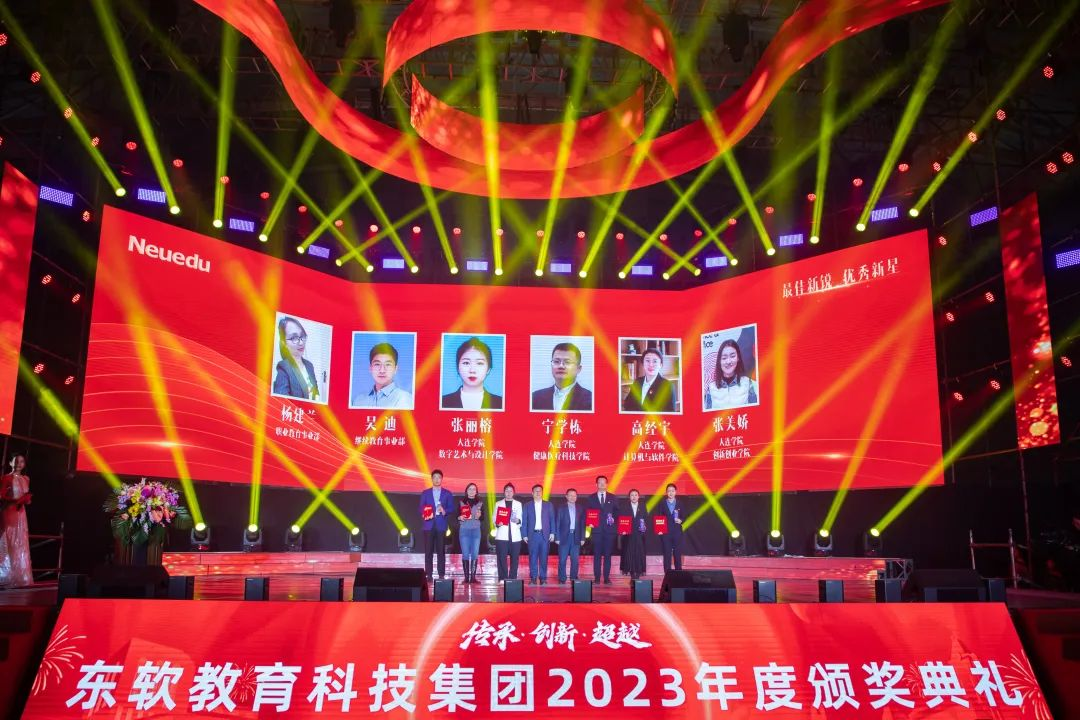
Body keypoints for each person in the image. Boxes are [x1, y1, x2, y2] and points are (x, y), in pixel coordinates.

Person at [272, 316, 326, 401]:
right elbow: (281, 401)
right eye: (294, 338)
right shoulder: (284, 367)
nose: (301, 342)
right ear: (284, 343)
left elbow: (316, 392)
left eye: (302, 336)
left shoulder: (309, 365)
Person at [441, 337, 503, 410]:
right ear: (458, 368)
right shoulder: (443, 402)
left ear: (488, 369)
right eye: (466, 363)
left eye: (479, 363)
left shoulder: (500, 403)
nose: (472, 370)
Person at [0, 454, 32, 588]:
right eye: (16, 461)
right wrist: (15, 500)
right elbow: (1, 496)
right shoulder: (6, 477)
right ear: (10, 462)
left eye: (22, 461)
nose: (19, 463)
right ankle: (6, 576)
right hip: (10, 511)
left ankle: (20, 577)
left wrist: (26, 500)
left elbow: (27, 498)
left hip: (21, 513)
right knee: (9, 540)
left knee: (20, 541)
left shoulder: (26, 478)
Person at [531, 342, 593, 412]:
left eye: (567, 362)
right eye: (556, 361)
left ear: (578, 369)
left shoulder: (591, 400)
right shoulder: (535, 397)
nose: (561, 366)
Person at [418, 469, 454, 580]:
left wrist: (444, 510)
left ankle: (441, 574)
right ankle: (428, 574)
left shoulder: (447, 493)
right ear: (432, 479)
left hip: (441, 525)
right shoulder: (425, 493)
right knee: (428, 551)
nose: (437, 479)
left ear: (442, 479)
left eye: (439, 477)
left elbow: (451, 508)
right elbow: (421, 508)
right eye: (435, 477)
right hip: (428, 525)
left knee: (441, 551)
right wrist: (425, 513)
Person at [353, 342, 413, 408]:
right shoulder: (358, 401)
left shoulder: (404, 399)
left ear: (395, 369)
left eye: (388, 364)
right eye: (377, 364)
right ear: (370, 368)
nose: (382, 370)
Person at [704, 338, 758, 410]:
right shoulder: (711, 388)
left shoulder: (749, 383)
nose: (728, 361)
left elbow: (755, 412)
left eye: (732, 356)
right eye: (724, 358)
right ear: (719, 361)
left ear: (738, 358)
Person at [622, 347, 675, 413]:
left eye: (655, 361)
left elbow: (670, 413)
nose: (651, 365)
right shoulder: (637, 381)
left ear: (660, 365)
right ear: (643, 363)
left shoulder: (668, 386)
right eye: (647, 361)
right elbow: (627, 404)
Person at [522, 484, 556, 585]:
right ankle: (533, 578)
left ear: (542, 493)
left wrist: (553, 532)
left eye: (540, 491)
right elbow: (524, 521)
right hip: (532, 535)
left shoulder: (548, 505)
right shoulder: (527, 505)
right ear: (532, 493)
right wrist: (524, 534)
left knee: (544, 557)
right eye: (536, 491)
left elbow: (552, 519)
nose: (538, 492)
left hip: (544, 535)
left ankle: (543, 578)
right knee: (532, 557)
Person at [587, 475, 617, 584]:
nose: (602, 484)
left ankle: (607, 578)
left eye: (604, 482)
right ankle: (597, 578)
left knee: (608, 555)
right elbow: (587, 513)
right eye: (600, 482)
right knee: (597, 556)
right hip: (596, 531)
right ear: (596, 484)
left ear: (607, 484)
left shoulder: (613, 497)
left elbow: (617, 512)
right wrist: (589, 522)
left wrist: (613, 519)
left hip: (609, 531)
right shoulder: (591, 498)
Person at [555, 488, 586, 583]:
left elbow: (582, 524)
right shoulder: (561, 508)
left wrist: (582, 538)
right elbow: (557, 523)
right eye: (570, 495)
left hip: (576, 537)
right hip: (564, 537)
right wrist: (557, 537)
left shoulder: (580, 508)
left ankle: (573, 577)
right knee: (562, 559)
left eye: (574, 495)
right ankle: (562, 578)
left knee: (575, 560)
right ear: (566, 496)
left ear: (577, 497)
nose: (572, 497)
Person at [493, 483, 523, 580]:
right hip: (502, 536)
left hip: (515, 536)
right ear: (504, 492)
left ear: (514, 492)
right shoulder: (498, 504)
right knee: (501, 558)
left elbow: (521, 519)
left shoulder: (518, 504)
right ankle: (503, 578)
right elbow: (494, 518)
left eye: (510, 491)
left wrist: (518, 520)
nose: (509, 493)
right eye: (507, 491)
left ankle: (513, 578)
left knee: (515, 558)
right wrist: (498, 523)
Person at [458, 483, 484, 584]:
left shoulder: (480, 503)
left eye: (474, 489)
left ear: (476, 491)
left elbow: (483, 517)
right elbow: (456, 516)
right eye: (470, 489)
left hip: (476, 530)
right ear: (466, 491)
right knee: (465, 554)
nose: (472, 491)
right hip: (464, 530)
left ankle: (473, 578)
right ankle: (466, 578)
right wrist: (460, 517)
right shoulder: (461, 502)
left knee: (474, 554)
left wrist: (479, 516)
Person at [657, 483, 685, 573]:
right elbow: (659, 517)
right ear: (666, 492)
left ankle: (678, 573)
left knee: (677, 553)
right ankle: (667, 574)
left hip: (677, 532)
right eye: (669, 491)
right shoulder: (662, 504)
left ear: (675, 492)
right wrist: (660, 530)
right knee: (667, 554)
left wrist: (681, 520)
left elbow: (684, 516)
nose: (671, 493)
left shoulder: (680, 503)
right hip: (666, 532)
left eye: (672, 491)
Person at [621, 489, 648, 580]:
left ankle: (638, 574)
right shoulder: (625, 507)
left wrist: (644, 527)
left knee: (639, 554)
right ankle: (632, 574)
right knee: (630, 554)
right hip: (629, 535)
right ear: (629, 497)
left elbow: (646, 519)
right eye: (632, 495)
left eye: (636, 495)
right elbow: (622, 520)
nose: (634, 497)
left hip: (640, 534)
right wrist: (623, 530)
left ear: (638, 497)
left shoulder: (643, 507)